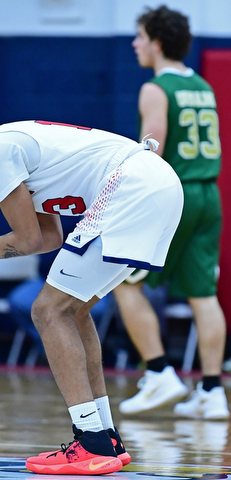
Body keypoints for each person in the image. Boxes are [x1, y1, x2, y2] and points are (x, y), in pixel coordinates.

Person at [0, 120, 183, 475]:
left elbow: (29, 241)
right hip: (158, 184)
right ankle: (106, 438)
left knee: (47, 310)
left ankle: (90, 440)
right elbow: (47, 237)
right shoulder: (9, 155)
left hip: (132, 186)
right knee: (73, 311)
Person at [113, 5, 229, 420]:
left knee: (125, 282)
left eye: (140, 36)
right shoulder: (202, 85)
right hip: (209, 194)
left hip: (174, 195)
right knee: (203, 294)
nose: (135, 44)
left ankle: (160, 372)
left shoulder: (155, 87)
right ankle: (213, 391)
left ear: (157, 43)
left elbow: (153, 148)